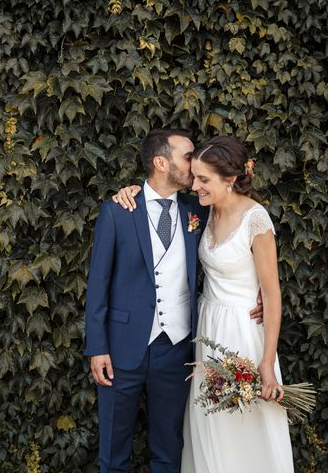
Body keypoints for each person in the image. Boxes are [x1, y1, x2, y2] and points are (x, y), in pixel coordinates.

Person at [84, 130, 263, 472]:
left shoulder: (198, 207)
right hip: (121, 349)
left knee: (169, 451)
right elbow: (98, 285)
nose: (195, 163)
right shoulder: (118, 211)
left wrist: (259, 290)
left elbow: (241, 232)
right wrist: (97, 347)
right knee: (112, 451)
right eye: (188, 156)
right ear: (160, 162)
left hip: (176, 349)